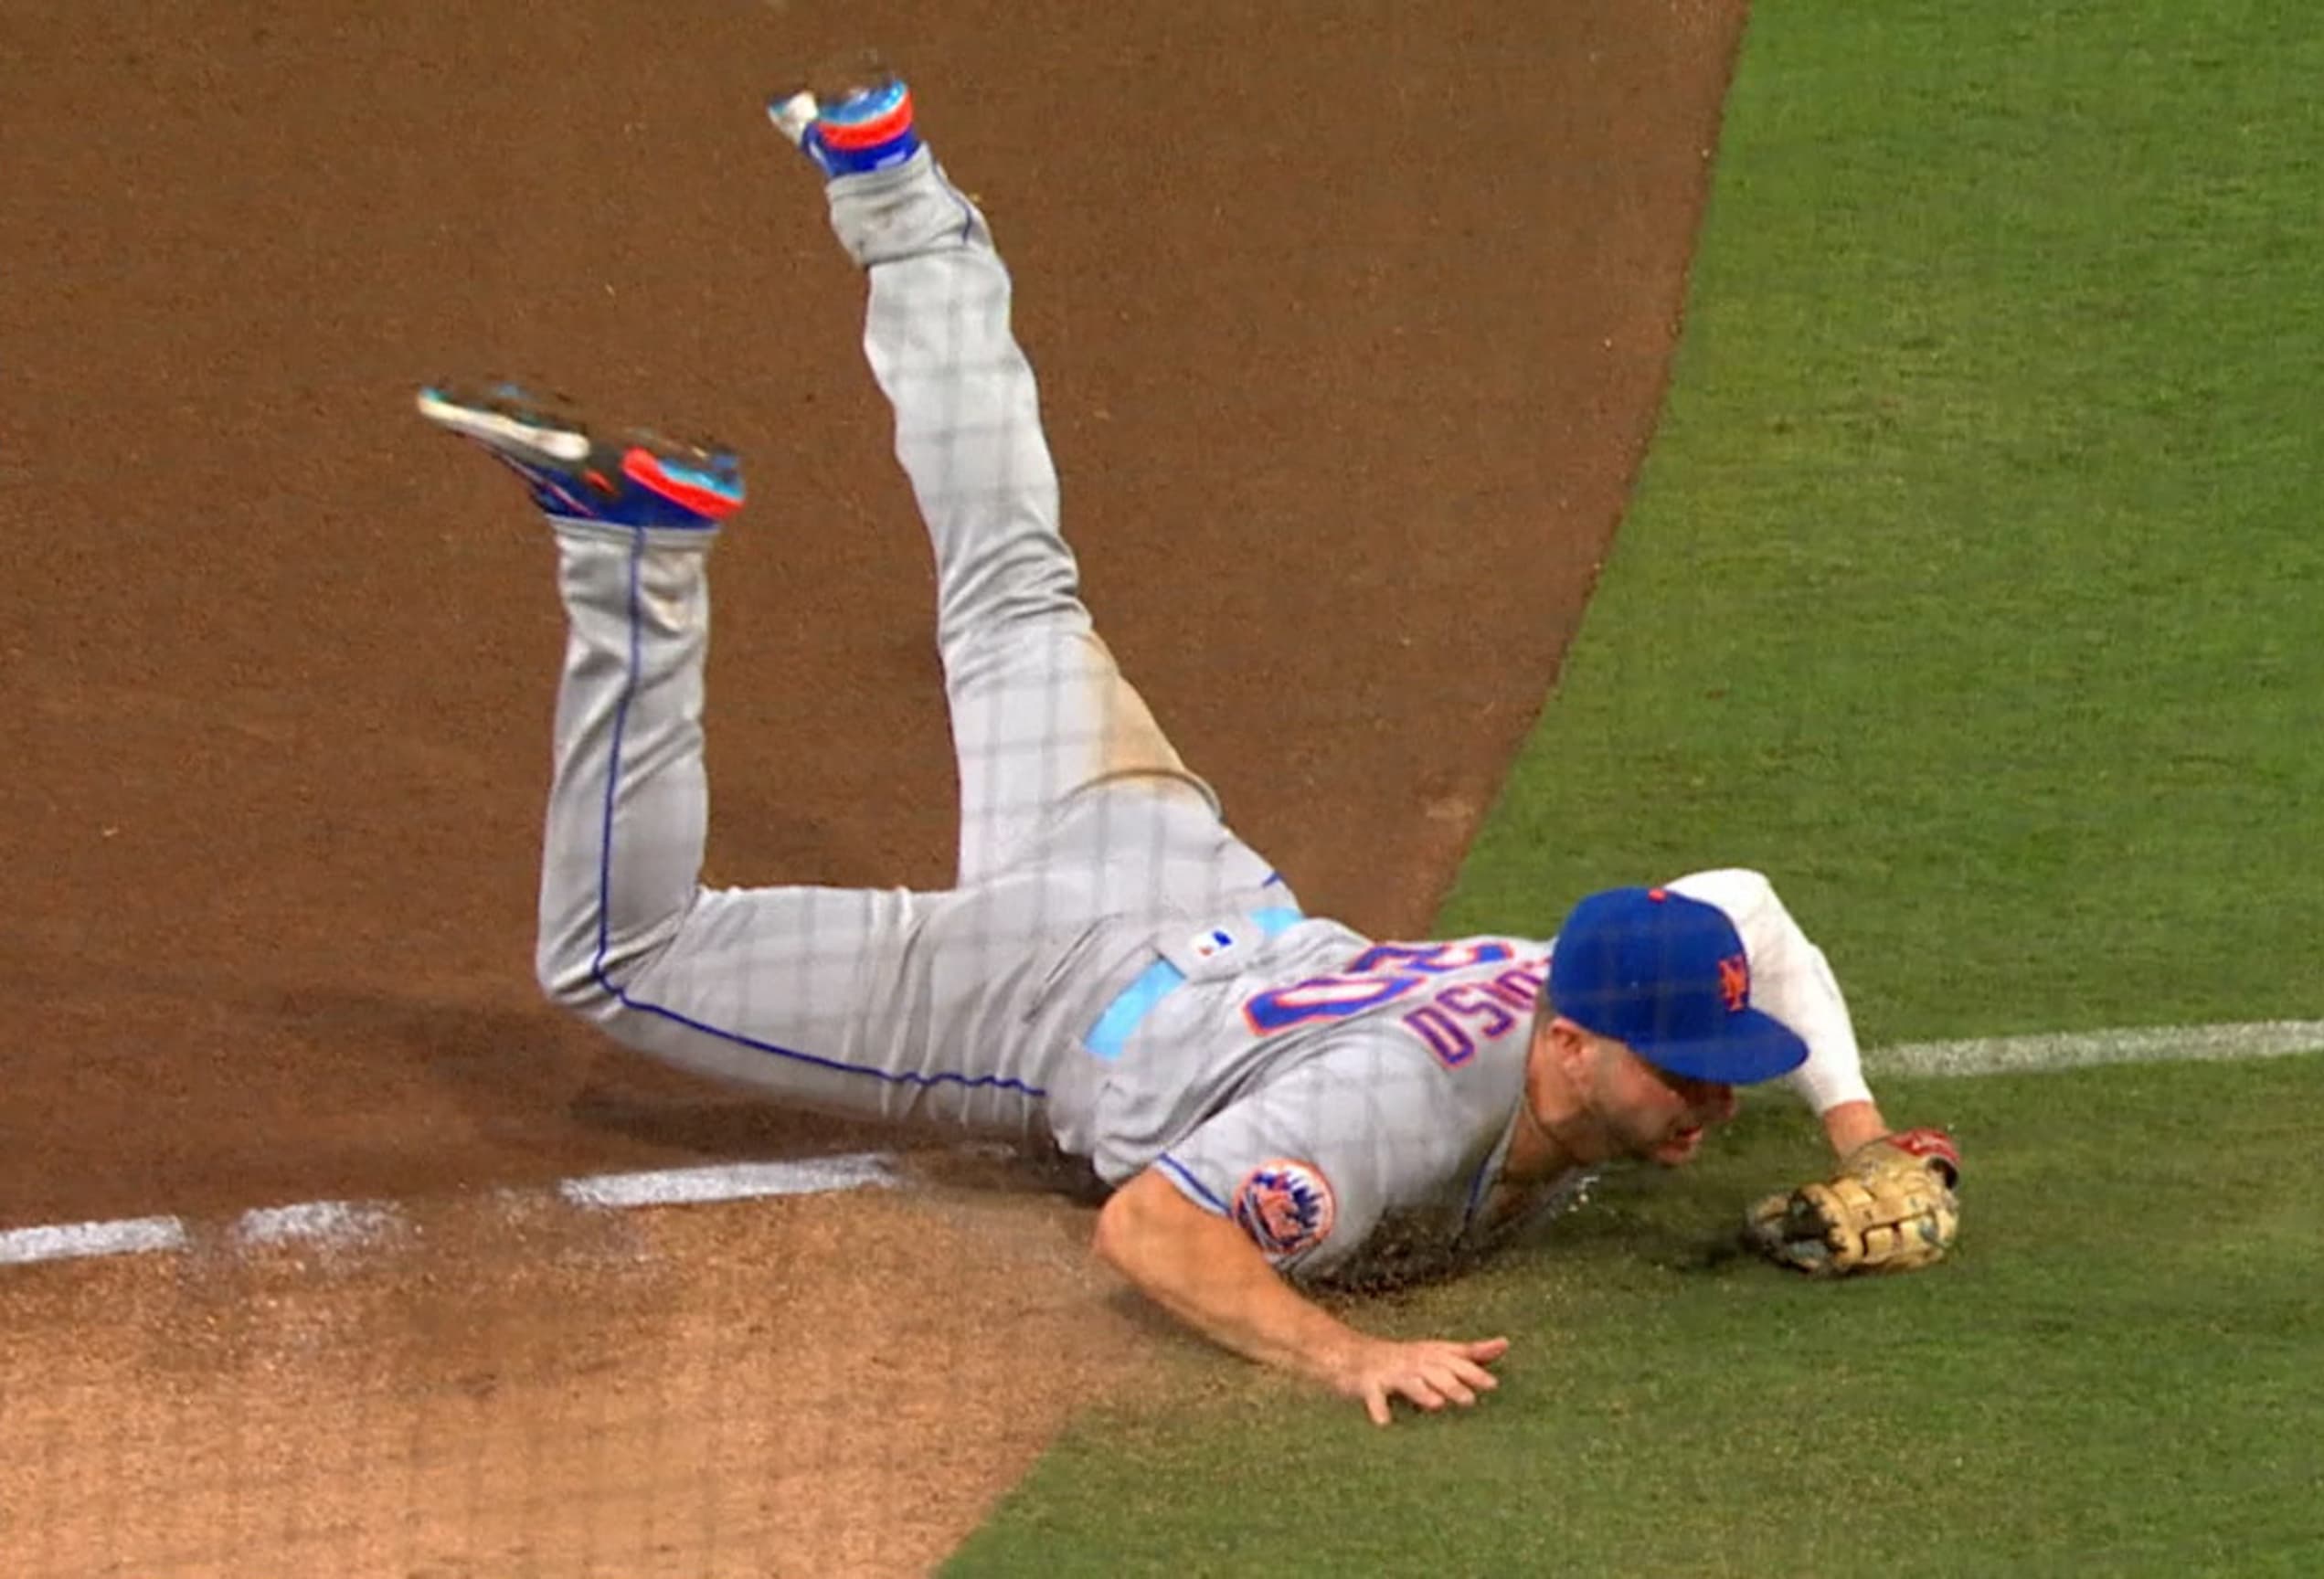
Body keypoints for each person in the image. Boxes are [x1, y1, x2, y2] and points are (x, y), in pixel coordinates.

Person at [417, 68, 1933, 1425]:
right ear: (1574, 1044)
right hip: (1036, 994)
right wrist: (1347, 1359)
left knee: (1017, 586)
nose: (1714, 1114)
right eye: (1691, 1081)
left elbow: (1747, 907)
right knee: (617, 962)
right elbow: (1154, 1230)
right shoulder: (1389, 1113)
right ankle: (633, 560)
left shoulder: (1591, 972)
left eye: (1719, 1082)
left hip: (1165, 864)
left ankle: (896, 188)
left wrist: (1861, 1135)